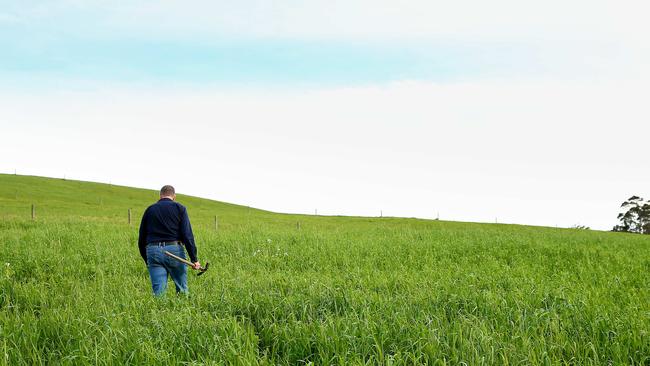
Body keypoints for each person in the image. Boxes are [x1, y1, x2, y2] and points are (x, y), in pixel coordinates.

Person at [138, 185, 200, 296]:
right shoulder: (180, 208)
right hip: (174, 250)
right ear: (174, 196)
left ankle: (160, 312)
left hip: (153, 251)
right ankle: (182, 311)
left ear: (160, 195)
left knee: (159, 293)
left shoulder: (150, 210)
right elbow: (187, 235)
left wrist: (147, 259)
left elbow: (141, 238)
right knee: (182, 289)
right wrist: (194, 259)